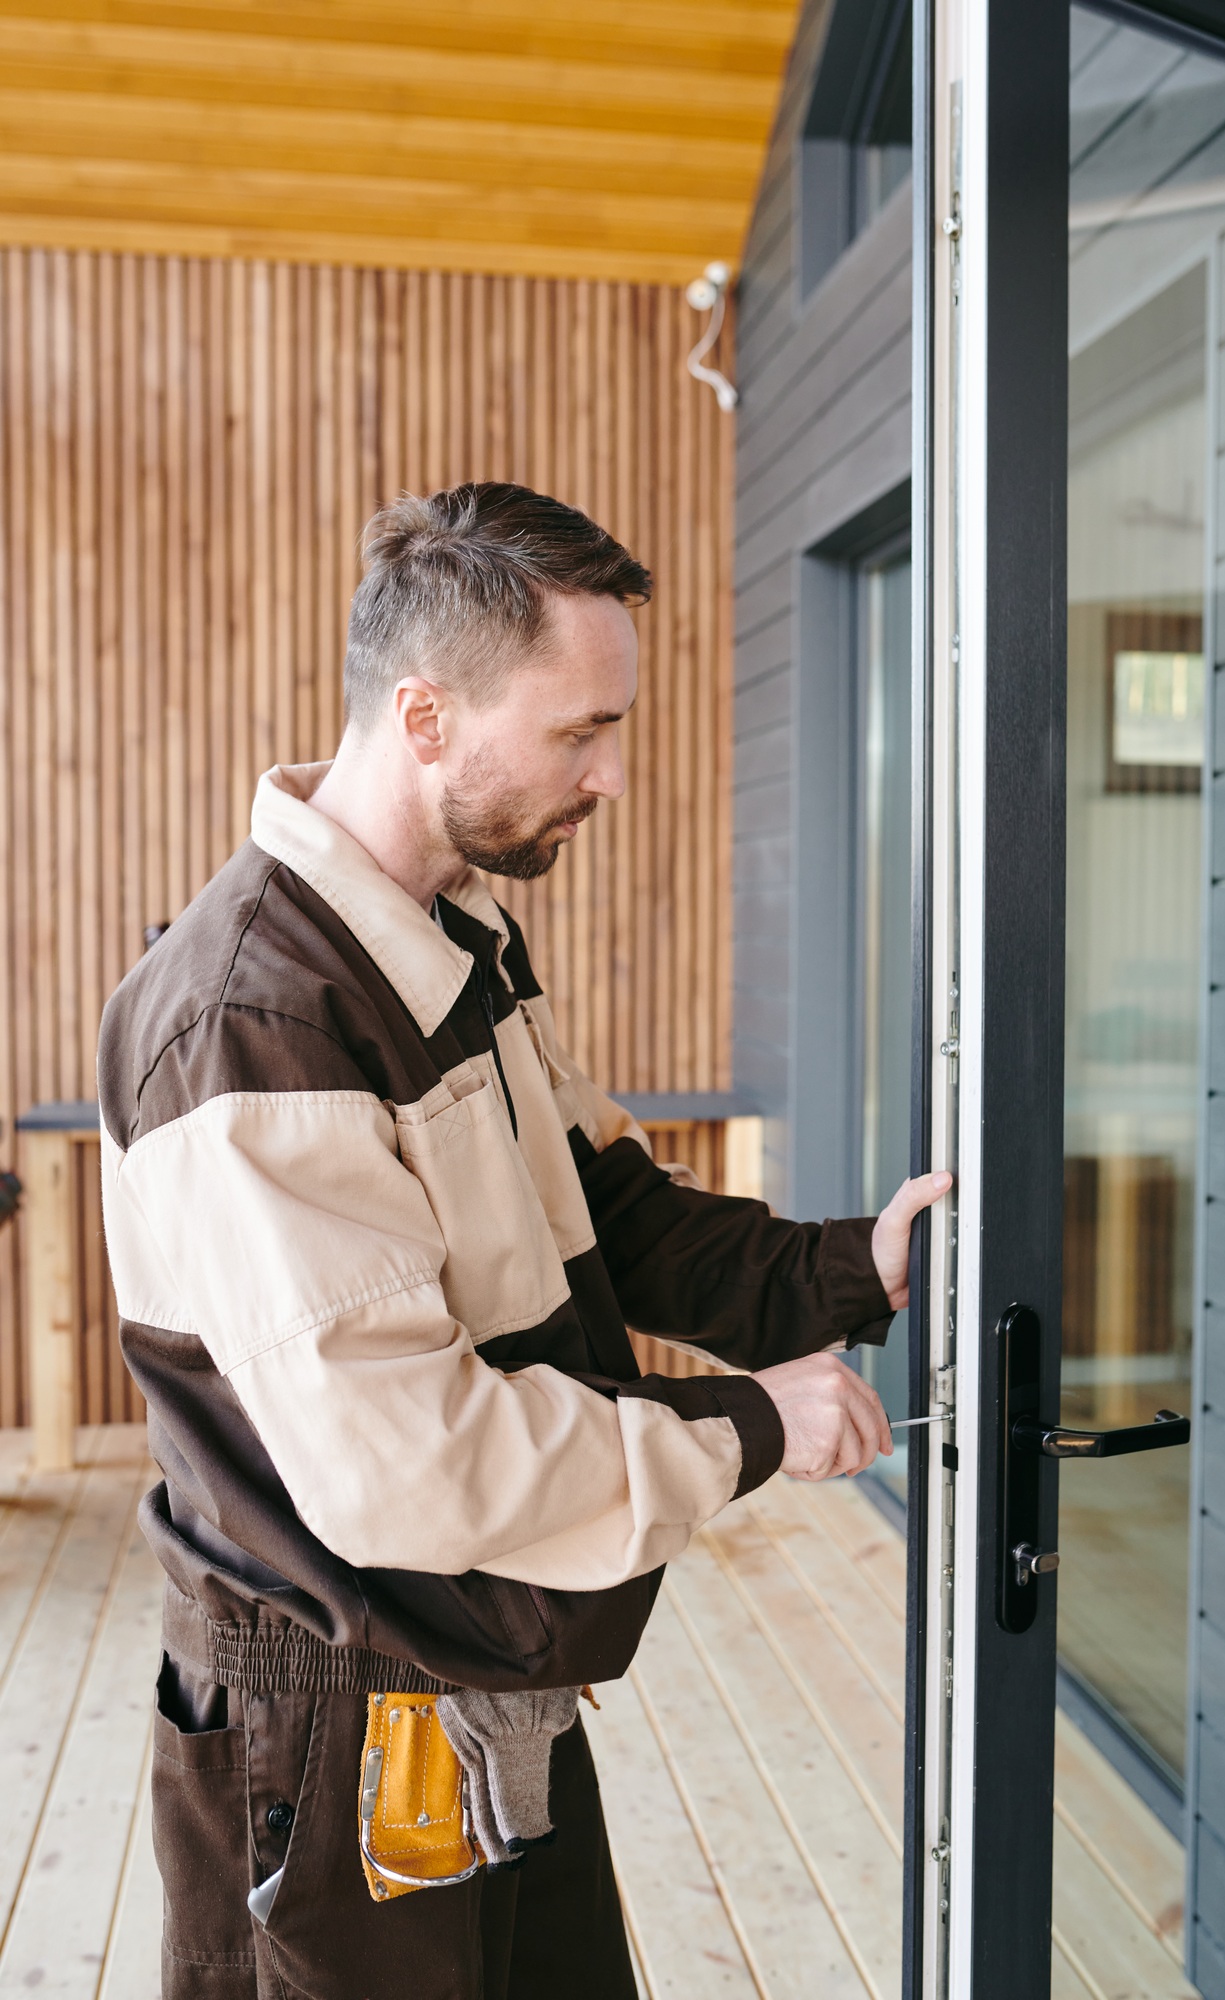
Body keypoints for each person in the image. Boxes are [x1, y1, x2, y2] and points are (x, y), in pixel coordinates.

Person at [98, 482, 949, 2000]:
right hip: (332, 1718)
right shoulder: (253, 1022)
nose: (611, 776)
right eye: (578, 734)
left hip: (481, 1663)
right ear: (424, 717)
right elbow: (412, 1461)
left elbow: (599, 1212)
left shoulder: (453, 940)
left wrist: (848, 1271)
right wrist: (750, 1425)